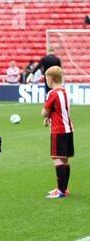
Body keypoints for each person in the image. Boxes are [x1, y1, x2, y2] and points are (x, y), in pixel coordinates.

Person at [41, 66, 74, 199]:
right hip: (68, 129)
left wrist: (46, 116)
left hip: (58, 130)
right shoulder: (65, 92)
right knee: (65, 159)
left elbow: (44, 112)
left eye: (46, 78)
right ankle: (64, 188)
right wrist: (50, 117)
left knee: (57, 158)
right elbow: (59, 110)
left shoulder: (52, 93)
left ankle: (60, 191)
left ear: (51, 78)